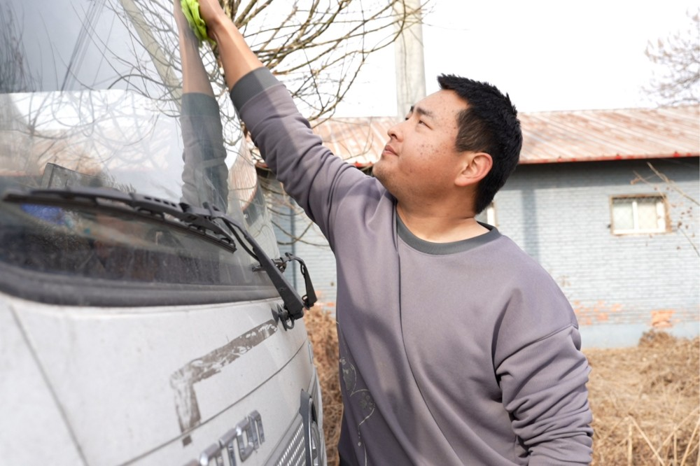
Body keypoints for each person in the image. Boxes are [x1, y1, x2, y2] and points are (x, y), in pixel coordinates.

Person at [192, 1, 594, 464]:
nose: (396, 130)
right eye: (407, 116)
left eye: (420, 123)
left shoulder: (521, 292)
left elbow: (561, 447)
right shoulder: (359, 214)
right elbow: (283, 133)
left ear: (471, 166)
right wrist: (220, 25)